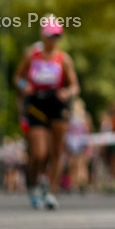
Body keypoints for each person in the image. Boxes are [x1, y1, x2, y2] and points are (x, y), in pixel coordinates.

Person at [14, 18, 79, 209]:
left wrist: (67, 92)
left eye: (57, 36)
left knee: (56, 152)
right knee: (39, 153)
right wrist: (24, 85)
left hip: (57, 105)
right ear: (43, 35)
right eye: (51, 35)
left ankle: (51, 192)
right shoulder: (31, 55)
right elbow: (17, 77)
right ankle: (33, 185)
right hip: (36, 105)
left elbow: (75, 85)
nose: (54, 40)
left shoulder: (64, 59)